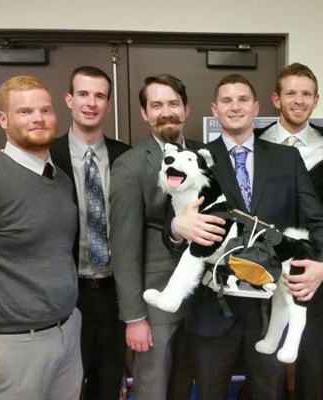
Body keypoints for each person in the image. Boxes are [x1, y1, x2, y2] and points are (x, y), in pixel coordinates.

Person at [169, 74, 323, 399]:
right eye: (227, 100)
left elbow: (318, 220)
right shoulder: (195, 159)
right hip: (213, 311)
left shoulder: (286, 159)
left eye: (243, 99)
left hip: (268, 312)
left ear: (256, 108)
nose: (235, 107)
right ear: (214, 109)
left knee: (269, 394)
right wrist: (178, 227)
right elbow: (170, 226)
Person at [0, 75, 82, 399]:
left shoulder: (59, 179)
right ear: (3, 119)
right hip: (14, 349)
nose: (38, 118)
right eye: (25, 111)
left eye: (45, 110)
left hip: (66, 334)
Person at [256, 63, 323, 399]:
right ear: (276, 99)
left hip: (315, 266)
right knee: (269, 362)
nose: (299, 101)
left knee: (314, 358)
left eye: (306, 94)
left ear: (316, 100)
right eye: (291, 93)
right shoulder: (257, 141)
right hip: (268, 263)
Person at [109, 74, 201, 400]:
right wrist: (134, 317)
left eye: (173, 103)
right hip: (155, 305)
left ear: (186, 109)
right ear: (145, 113)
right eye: (157, 105)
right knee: (153, 390)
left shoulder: (205, 155)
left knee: (184, 388)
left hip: (203, 303)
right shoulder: (130, 166)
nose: (166, 112)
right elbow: (124, 247)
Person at [50, 66, 130, 400]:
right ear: (69, 99)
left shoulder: (126, 156)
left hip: (114, 295)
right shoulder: (47, 156)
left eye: (100, 96)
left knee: (107, 386)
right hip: (65, 295)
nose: (91, 103)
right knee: (64, 388)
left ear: (108, 105)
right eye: (83, 94)